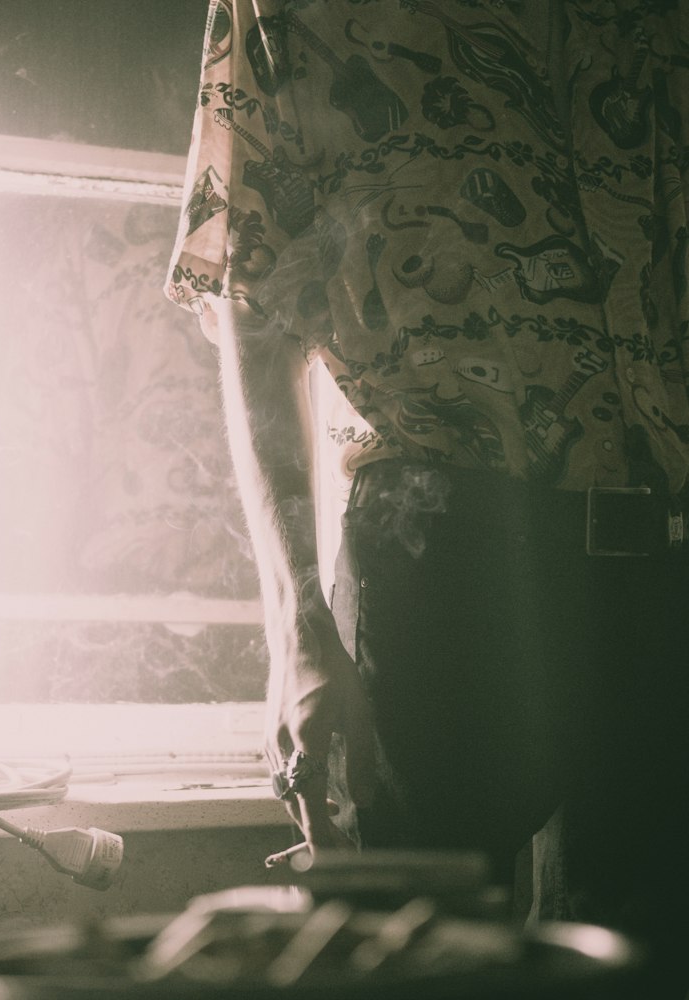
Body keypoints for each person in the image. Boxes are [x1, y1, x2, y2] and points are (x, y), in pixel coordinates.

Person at [166, 0, 689, 995]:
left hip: (662, 570)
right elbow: (252, 304)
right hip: (436, 558)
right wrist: (300, 630)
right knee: (400, 969)